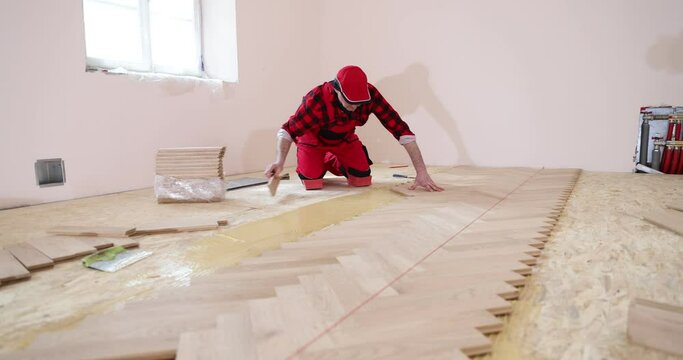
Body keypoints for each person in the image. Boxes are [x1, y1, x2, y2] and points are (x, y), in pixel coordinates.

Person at [264, 65, 444, 192]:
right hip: (313, 141)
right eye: (350, 103)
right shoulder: (317, 99)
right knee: (312, 184)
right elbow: (287, 130)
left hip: (343, 139)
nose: (354, 108)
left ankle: (331, 159)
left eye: (359, 104)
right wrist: (279, 162)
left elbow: (401, 130)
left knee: (362, 180)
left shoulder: (371, 95)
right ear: (337, 90)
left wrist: (421, 172)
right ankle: (318, 162)